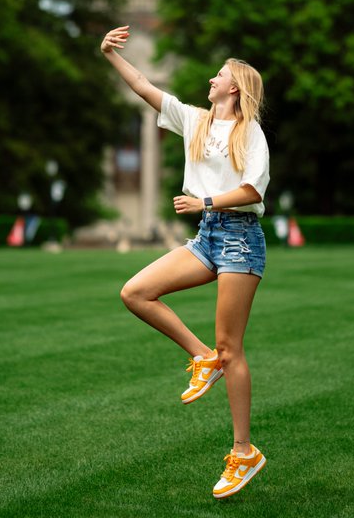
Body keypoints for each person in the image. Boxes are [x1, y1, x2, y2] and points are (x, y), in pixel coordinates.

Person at [100, 25, 271, 499]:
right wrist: (111, 55)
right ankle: (201, 358)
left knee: (231, 346)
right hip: (206, 239)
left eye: (219, 76)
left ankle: (243, 453)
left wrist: (206, 202)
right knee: (135, 292)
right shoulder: (195, 121)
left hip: (239, 239)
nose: (211, 80)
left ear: (234, 88)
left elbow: (253, 191)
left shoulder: (249, 131)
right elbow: (144, 87)